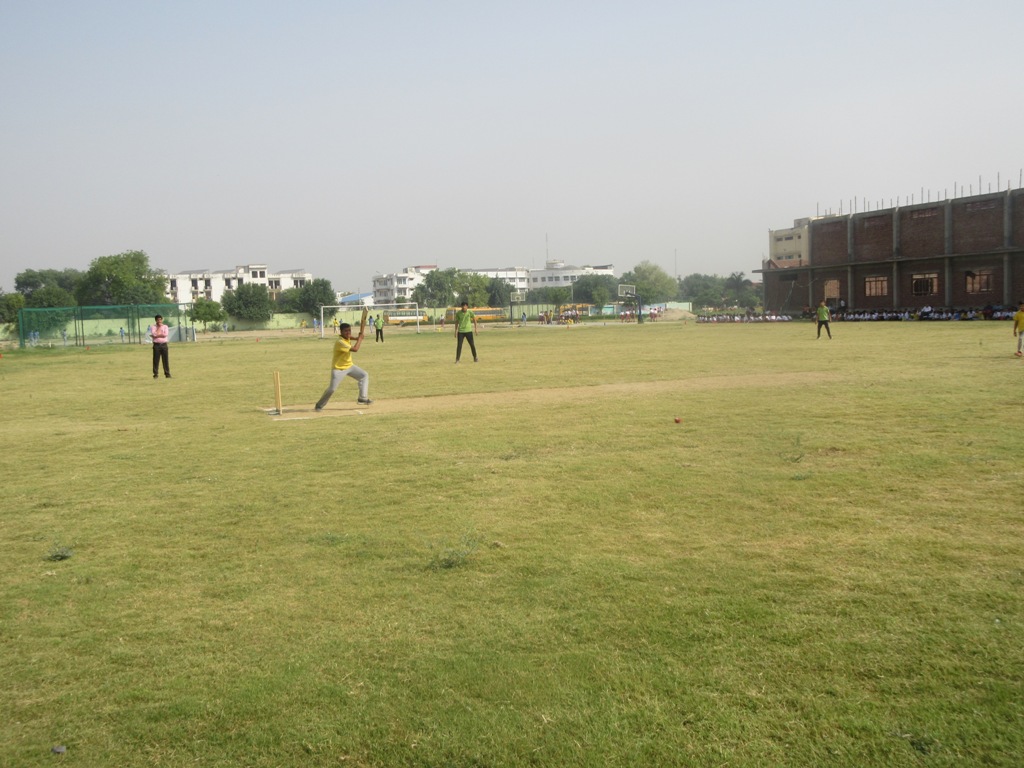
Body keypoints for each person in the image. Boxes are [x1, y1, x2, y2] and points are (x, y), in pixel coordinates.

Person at [315, 322, 372, 410]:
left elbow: (349, 337)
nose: (348, 333)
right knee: (332, 389)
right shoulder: (340, 342)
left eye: (349, 330)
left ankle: (362, 398)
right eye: (346, 331)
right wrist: (360, 339)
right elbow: (355, 349)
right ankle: (319, 405)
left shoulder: (346, 338)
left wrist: (357, 338)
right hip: (339, 369)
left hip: (349, 366)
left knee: (364, 375)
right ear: (341, 332)